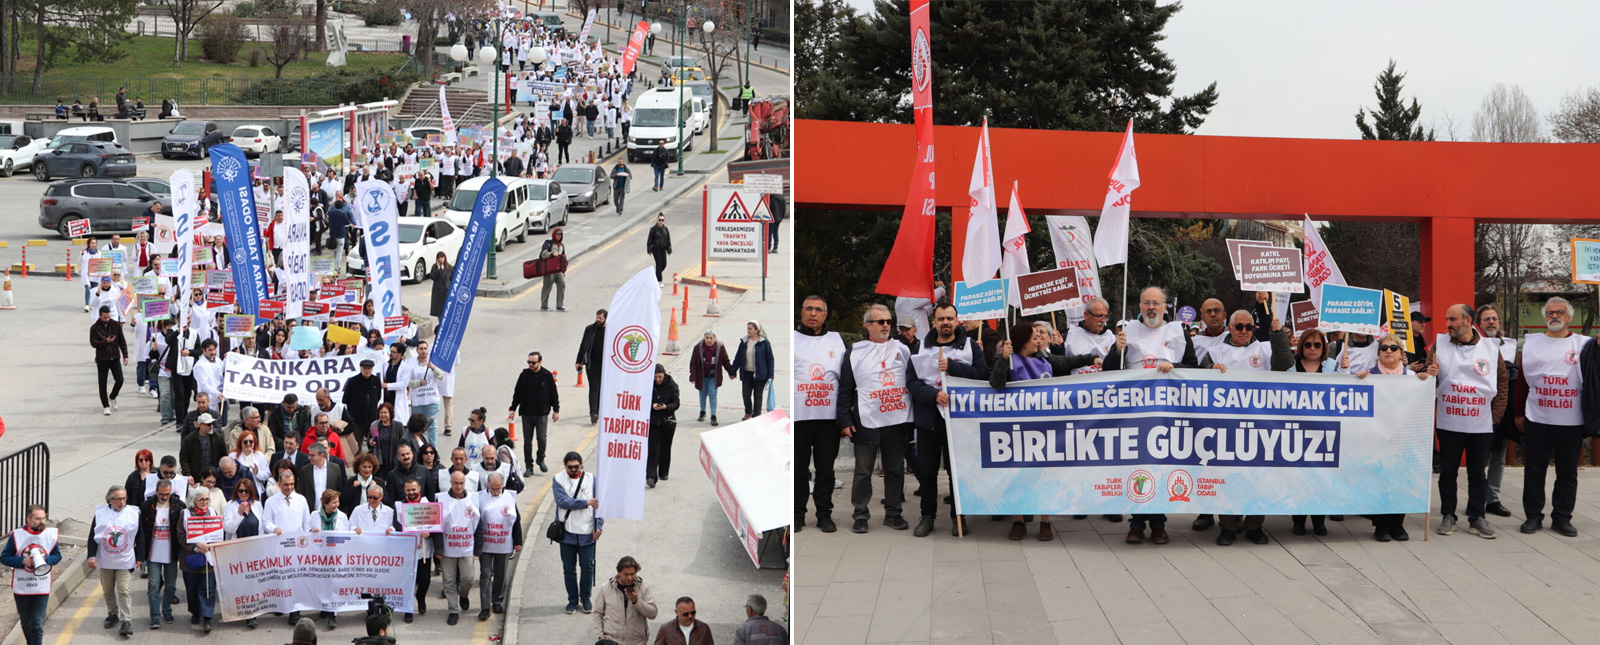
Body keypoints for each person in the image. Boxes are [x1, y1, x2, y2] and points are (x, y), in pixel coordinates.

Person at [988, 321, 1099, 540]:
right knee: (1017, 474)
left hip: (1044, 429)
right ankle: (1018, 520)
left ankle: (1045, 520)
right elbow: (996, 383)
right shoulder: (1009, 360)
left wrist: (1090, 358)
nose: (1039, 339)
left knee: (1045, 475)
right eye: (1034, 336)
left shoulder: (1044, 358)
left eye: (1040, 336)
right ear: (1022, 341)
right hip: (1017, 429)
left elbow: (1067, 361)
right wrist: (1003, 359)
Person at [1104, 287, 1198, 543]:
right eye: (1146, 303)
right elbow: (1109, 371)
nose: (1151, 307)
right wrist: (1116, 349)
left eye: (1156, 303)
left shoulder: (1178, 332)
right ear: (1140, 306)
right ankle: (1135, 522)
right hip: (1135, 411)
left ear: (1165, 307)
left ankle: (1158, 523)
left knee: (1161, 464)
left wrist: (1174, 366)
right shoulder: (1127, 330)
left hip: (1168, 411)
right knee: (1137, 464)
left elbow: (1193, 366)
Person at [1198, 302, 1291, 545]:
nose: (1244, 331)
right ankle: (1228, 526)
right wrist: (1209, 368)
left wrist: (1279, 333)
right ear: (1230, 327)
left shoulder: (1263, 348)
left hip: (1258, 424)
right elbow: (1199, 374)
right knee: (1228, 476)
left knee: (1257, 476)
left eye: (1249, 327)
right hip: (1225, 426)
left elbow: (1285, 363)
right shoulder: (1217, 351)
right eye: (1239, 326)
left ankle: (1254, 526)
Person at [905, 302, 988, 537]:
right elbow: (911, 382)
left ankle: (958, 516)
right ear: (934, 322)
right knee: (928, 470)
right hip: (930, 418)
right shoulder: (921, 347)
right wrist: (933, 395)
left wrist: (953, 367)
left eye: (950, 318)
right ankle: (927, 516)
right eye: (941, 319)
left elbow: (983, 375)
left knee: (957, 470)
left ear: (956, 320)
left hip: (960, 420)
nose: (945, 323)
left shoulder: (970, 346)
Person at [1515, 297, 1593, 537]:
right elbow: (1522, 382)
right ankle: (1533, 517)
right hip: (1539, 417)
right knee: (1534, 470)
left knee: (1567, 472)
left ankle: (1562, 517)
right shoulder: (1532, 344)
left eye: (1559, 312)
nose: (1554, 316)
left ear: (1569, 317)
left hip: (1571, 420)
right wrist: (1519, 413)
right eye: (1549, 313)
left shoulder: (1585, 344)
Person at [1429, 303, 1508, 539]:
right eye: (1447, 319)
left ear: (1468, 320)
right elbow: (1427, 376)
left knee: (1477, 473)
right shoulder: (1439, 344)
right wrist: (1427, 371)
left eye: (1452, 319)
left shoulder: (1491, 349)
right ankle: (1448, 516)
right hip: (1449, 422)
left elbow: (1502, 383)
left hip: (1480, 424)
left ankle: (1477, 517)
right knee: (1448, 472)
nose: (1448, 324)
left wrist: (1493, 418)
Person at [839, 303, 913, 534]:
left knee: (895, 470)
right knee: (863, 471)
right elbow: (845, 389)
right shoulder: (854, 352)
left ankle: (893, 513)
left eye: (888, 321)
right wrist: (844, 419)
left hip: (895, 421)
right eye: (880, 321)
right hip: (866, 421)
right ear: (867, 325)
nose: (885, 325)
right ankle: (860, 515)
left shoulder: (903, 349)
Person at [1351, 332, 1429, 541]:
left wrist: (1426, 381)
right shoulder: (1370, 376)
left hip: (1404, 439)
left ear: (1401, 353)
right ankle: (1381, 526)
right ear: (1378, 354)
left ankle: (1398, 525)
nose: (1388, 351)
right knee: (1380, 481)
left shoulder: (1413, 378)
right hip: (1377, 438)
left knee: (1402, 481)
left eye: (1393, 348)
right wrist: (1358, 380)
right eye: (1384, 348)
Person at [795, 296, 847, 533]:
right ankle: (796, 514)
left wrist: (846, 417)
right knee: (797, 469)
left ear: (826, 315)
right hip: (799, 419)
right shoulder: (792, 339)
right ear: (802, 313)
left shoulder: (836, 341)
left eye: (818, 310)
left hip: (828, 418)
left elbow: (846, 381)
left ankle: (824, 514)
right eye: (809, 309)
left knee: (826, 470)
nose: (813, 313)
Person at [1288, 328, 1337, 536]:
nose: (1312, 349)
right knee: (1299, 478)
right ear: (1301, 347)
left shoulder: (1333, 367)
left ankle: (1319, 520)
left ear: (1324, 347)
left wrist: (1348, 372)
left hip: (1324, 431)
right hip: (1298, 431)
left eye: (1317, 345)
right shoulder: (1291, 370)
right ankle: (1298, 520)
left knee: (1321, 478)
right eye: (1308, 345)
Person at [1472, 304, 1518, 519]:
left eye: (1494, 318)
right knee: (1478, 458)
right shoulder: (1472, 345)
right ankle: (1476, 500)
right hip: (1476, 408)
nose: (1491, 322)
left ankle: (1493, 499)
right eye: (1486, 319)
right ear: (1478, 324)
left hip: (1503, 409)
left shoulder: (1510, 345)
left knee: (1498, 457)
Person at [3, 505, 62, 645]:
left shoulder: (50, 534)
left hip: (41, 586)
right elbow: (4, 557)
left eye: (43, 518)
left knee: (37, 624)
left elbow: (57, 556)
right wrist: (23, 561)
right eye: (38, 518)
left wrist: (45, 560)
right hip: (22, 586)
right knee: (26, 623)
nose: (42, 521)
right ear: (28, 519)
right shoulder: (17, 535)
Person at [88, 485, 141, 637]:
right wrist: (91, 556)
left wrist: (140, 557)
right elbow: (92, 537)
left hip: (125, 560)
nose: (122, 502)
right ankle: (112, 614)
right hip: (106, 560)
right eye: (118, 499)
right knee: (107, 590)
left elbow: (140, 537)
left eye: (124, 498)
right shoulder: (100, 514)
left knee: (124, 590)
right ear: (110, 500)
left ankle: (126, 620)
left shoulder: (133, 513)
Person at [554, 450, 601, 614]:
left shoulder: (592, 479)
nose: (573, 470)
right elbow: (563, 501)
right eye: (570, 467)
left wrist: (599, 526)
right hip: (567, 533)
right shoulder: (558, 479)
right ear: (565, 467)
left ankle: (586, 598)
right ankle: (572, 600)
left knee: (588, 567)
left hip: (587, 532)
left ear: (581, 464)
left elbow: (599, 505)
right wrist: (586, 502)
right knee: (569, 568)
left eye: (576, 466)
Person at [134, 478, 183, 630]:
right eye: (161, 494)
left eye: (167, 494)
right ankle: (154, 615)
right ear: (156, 492)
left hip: (171, 553)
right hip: (153, 554)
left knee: (170, 585)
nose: (164, 497)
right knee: (153, 585)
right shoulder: (147, 506)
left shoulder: (179, 506)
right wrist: (140, 555)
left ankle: (167, 610)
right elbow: (140, 532)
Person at [475, 472, 521, 621]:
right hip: (486, 544)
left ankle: (497, 600)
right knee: (485, 574)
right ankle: (485, 606)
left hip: (503, 543)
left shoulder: (509, 497)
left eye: (498, 488)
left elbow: (516, 520)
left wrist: (517, 541)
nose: (495, 491)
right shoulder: (480, 497)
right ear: (487, 485)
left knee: (501, 573)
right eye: (492, 488)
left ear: (503, 485)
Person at [436, 469, 479, 626]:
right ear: (450, 483)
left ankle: (464, 594)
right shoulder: (441, 499)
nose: (459, 486)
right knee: (448, 581)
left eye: (461, 483)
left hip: (466, 547)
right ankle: (453, 610)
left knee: (468, 578)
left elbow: (479, 524)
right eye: (456, 483)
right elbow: (436, 525)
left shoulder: (474, 499)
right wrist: (438, 549)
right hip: (448, 549)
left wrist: (478, 548)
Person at [175, 487, 219, 633]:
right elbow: (181, 535)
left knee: (208, 588)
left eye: (207, 499)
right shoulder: (185, 514)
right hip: (191, 557)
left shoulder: (212, 512)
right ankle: (195, 612)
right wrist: (195, 546)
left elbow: (219, 533)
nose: (205, 502)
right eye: (202, 499)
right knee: (192, 588)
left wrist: (208, 546)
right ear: (194, 501)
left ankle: (207, 618)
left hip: (209, 557)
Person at [510, 351, 560, 475]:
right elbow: (517, 392)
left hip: (542, 413)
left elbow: (554, 394)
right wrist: (513, 409)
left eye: (533, 362)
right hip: (527, 414)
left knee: (542, 439)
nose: (531, 364)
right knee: (527, 442)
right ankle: (528, 466)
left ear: (540, 362)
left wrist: (556, 410)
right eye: (529, 362)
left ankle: (540, 458)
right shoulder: (524, 375)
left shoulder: (546, 375)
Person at [594, 556, 656, 645]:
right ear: (618, 572)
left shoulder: (643, 588)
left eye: (632, 574)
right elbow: (597, 613)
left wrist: (637, 601)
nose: (630, 578)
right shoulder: (606, 588)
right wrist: (601, 637)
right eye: (626, 574)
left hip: (637, 642)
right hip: (612, 641)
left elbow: (652, 614)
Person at [731, 320, 775, 420]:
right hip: (747, 373)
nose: (748, 331)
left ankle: (756, 416)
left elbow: (770, 359)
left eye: (750, 329)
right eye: (747, 328)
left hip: (761, 374)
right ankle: (748, 412)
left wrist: (771, 375)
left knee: (758, 396)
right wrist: (733, 371)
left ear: (757, 330)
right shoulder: (744, 342)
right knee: (746, 394)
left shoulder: (764, 343)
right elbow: (738, 357)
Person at [646, 366, 680, 488]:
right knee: (654, 449)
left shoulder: (672, 386)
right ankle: (651, 476)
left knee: (665, 448)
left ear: (664, 375)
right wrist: (652, 405)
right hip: (654, 421)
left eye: (660, 377)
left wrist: (666, 407)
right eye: (655, 377)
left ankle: (663, 472)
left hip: (667, 421)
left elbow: (676, 403)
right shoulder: (648, 385)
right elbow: (643, 400)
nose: (658, 380)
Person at [91, 305, 129, 416]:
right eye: (105, 317)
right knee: (102, 383)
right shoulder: (95, 327)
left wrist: (125, 355)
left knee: (120, 380)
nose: (107, 319)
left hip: (115, 357)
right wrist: (105, 341)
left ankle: (112, 396)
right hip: (102, 358)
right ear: (100, 316)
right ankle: (106, 405)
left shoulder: (115, 325)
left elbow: (122, 341)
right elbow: (93, 343)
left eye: (108, 317)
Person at [689, 331, 732, 425]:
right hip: (702, 376)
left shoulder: (720, 347)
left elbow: (725, 361)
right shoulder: (698, 347)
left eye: (711, 338)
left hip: (714, 376)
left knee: (713, 395)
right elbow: (693, 362)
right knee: (702, 394)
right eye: (707, 338)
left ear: (715, 338)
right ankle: (702, 411)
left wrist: (731, 372)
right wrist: (693, 376)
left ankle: (713, 415)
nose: (709, 340)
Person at [576, 310, 609, 424]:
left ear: (605, 318)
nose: (598, 320)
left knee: (602, 388)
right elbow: (583, 345)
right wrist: (579, 361)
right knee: (594, 387)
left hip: (606, 365)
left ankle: (599, 409)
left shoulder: (610, 330)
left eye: (600, 318)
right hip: (591, 364)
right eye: (597, 317)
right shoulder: (590, 329)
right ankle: (593, 412)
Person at [298, 444, 347, 514]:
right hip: (311, 510)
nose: (309, 457)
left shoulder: (335, 468)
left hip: (330, 510)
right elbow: (301, 491)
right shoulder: (305, 470)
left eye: (312, 455)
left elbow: (339, 489)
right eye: (309, 455)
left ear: (321, 455)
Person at [180, 412, 226, 479]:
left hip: (215, 476)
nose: (212, 426)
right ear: (200, 425)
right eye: (208, 424)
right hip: (196, 477)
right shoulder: (189, 439)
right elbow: (184, 458)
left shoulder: (218, 438)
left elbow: (223, 456)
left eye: (212, 424)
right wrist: (187, 474)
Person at [540, 228, 569, 311]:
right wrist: (552, 254)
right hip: (549, 269)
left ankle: (560, 305)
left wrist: (563, 270)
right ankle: (544, 305)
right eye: (557, 234)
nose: (558, 236)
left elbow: (563, 258)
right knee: (547, 286)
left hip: (558, 270)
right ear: (554, 235)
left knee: (562, 284)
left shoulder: (561, 245)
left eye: (560, 235)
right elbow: (543, 254)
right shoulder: (548, 243)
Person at [647, 213, 672, 284]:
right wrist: (649, 250)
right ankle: (659, 280)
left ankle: (655, 276)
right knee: (659, 264)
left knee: (664, 264)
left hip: (663, 248)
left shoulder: (665, 229)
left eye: (662, 220)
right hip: (656, 249)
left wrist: (669, 249)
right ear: (657, 220)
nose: (661, 221)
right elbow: (649, 240)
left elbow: (668, 240)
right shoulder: (653, 229)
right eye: (659, 220)